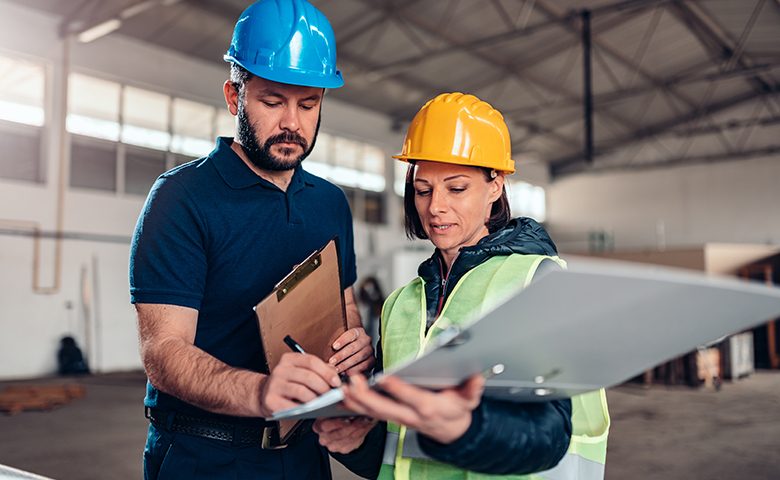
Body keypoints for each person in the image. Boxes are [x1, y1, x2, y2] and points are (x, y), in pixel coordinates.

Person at [128, 1, 373, 478]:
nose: (292, 123)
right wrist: (262, 393)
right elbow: (163, 352)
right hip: (205, 456)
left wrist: (354, 346)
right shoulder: (182, 198)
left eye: (308, 104)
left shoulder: (330, 203)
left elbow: (344, 313)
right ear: (234, 96)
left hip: (305, 453)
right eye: (272, 100)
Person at [315, 93, 610, 479]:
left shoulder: (536, 281)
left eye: (456, 189)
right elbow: (397, 451)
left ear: (495, 186)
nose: (435, 206)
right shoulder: (401, 305)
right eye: (423, 190)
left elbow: (549, 436)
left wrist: (464, 430)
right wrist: (358, 442)